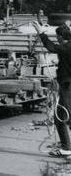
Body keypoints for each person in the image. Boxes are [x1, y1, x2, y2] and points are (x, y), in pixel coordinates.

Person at [33, 20, 71, 157]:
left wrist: (41, 32)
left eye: (57, 37)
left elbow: (51, 47)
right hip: (66, 84)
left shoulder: (66, 47)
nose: (57, 40)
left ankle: (67, 148)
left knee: (61, 117)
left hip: (67, 87)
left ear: (61, 37)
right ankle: (67, 146)